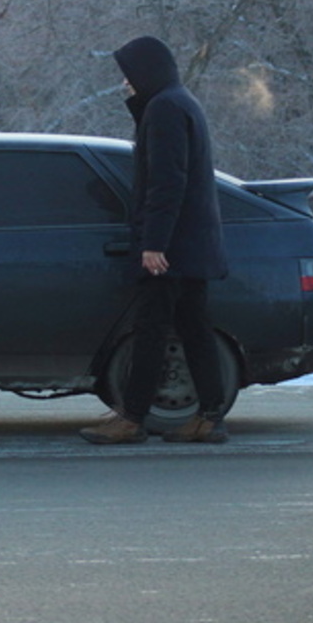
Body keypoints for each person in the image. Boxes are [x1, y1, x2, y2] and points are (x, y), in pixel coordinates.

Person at [80, 36, 230, 445]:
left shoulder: (165, 108)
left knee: (150, 330)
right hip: (190, 245)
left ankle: (132, 418)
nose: (125, 83)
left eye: (129, 75)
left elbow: (167, 181)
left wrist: (154, 244)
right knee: (194, 330)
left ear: (146, 71)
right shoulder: (178, 102)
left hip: (171, 250)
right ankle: (210, 417)